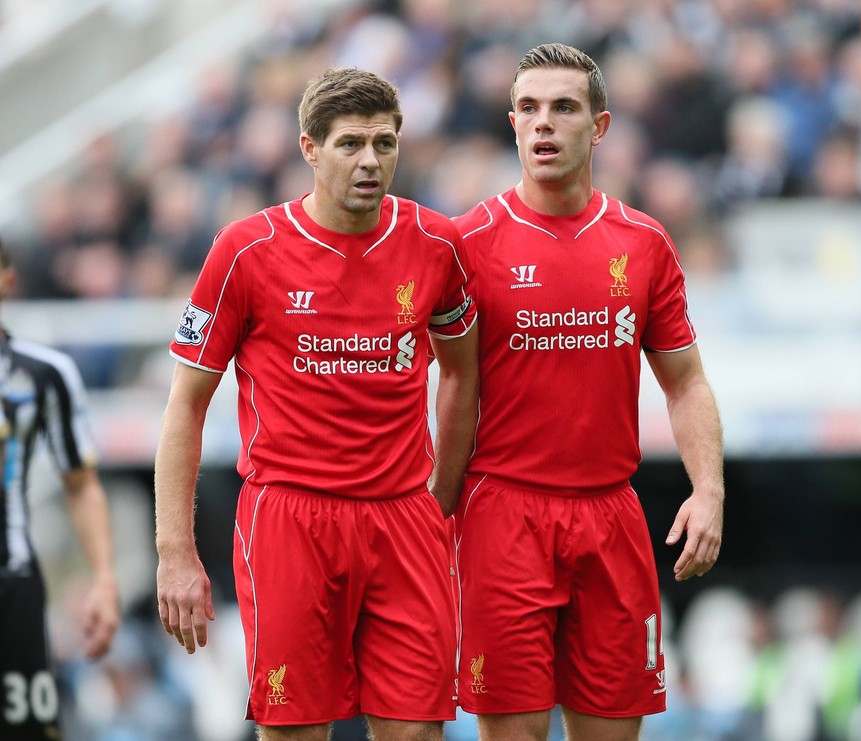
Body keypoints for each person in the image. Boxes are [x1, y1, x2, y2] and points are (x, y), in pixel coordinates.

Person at [154, 67, 478, 741]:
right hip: (289, 518)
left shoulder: (437, 243)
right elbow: (185, 403)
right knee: (296, 731)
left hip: (403, 518)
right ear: (308, 148)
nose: (370, 161)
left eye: (384, 144)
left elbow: (462, 375)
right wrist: (175, 551)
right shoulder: (245, 251)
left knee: (418, 729)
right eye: (350, 144)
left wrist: (439, 498)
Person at [452, 43, 725, 741]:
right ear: (512, 123)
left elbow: (685, 380)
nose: (543, 124)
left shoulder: (642, 243)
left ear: (598, 126)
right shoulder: (467, 244)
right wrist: (429, 508)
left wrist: (708, 488)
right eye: (529, 109)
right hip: (502, 516)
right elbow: (435, 384)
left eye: (563, 108)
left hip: (611, 518)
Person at [0, 236, 119, 740]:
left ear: (7, 277)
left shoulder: (44, 374)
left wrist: (104, 580)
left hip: (12, 581)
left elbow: (81, 483)